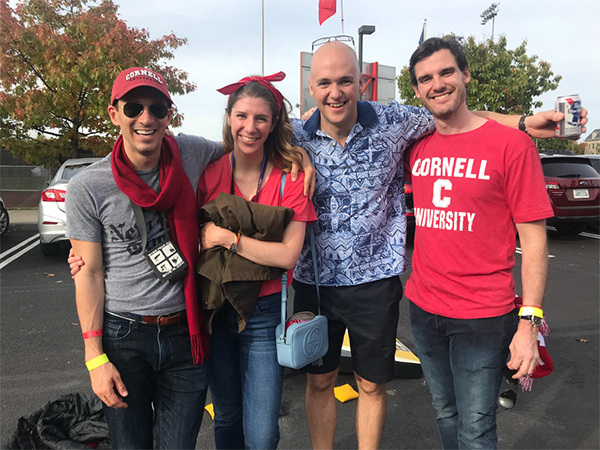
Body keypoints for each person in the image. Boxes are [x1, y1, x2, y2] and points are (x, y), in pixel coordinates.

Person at [289, 40, 587, 450]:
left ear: (362, 82)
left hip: (377, 284)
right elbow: (245, 143)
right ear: (310, 86)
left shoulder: (396, 121)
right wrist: (296, 156)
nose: (335, 92)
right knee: (320, 380)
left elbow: (455, 114)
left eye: (344, 80)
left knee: (373, 387)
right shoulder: (291, 135)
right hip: (315, 282)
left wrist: (520, 122)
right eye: (324, 82)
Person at [404, 36, 553, 449]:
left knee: (476, 427)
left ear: (465, 75)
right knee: (445, 413)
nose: (437, 84)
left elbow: (535, 243)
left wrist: (529, 323)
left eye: (446, 72)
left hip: (483, 317)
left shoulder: (512, 146)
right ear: (417, 90)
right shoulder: (416, 147)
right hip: (423, 308)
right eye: (426, 78)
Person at [66, 67, 223, 449]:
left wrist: (297, 153)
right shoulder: (88, 186)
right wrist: (94, 359)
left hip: (186, 333)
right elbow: (88, 275)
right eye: (134, 107)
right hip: (124, 336)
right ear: (114, 113)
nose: (146, 118)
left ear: (169, 113)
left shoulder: (191, 152)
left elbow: (250, 143)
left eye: (157, 108)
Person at [196, 72, 317, 449]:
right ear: (229, 117)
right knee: (227, 417)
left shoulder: (292, 177)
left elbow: (287, 255)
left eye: (261, 118)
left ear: (274, 123)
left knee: (262, 433)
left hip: (265, 314)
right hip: (216, 311)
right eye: (242, 116)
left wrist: (226, 238)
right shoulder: (209, 172)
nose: (250, 127)